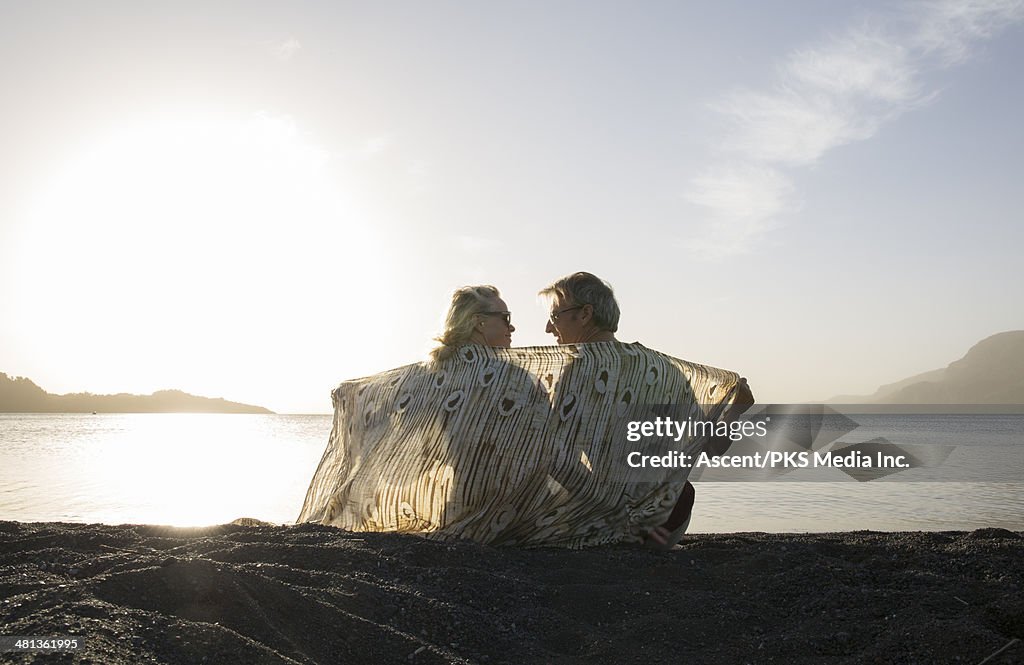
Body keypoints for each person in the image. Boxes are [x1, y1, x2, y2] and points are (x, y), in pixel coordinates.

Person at [538, 271, 753, 548]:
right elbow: (711, 448)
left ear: (585, 314)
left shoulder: (573, 375)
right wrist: (735, 412)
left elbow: (554, 458)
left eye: (555, 315)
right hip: (667, 519)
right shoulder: (664, 370)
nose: (547, 327)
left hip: (600, 519)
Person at [429, 285, 515, 363]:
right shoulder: (508, 375)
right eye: (505, 318)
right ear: (480, 323)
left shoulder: (424, 373)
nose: (512, 328)